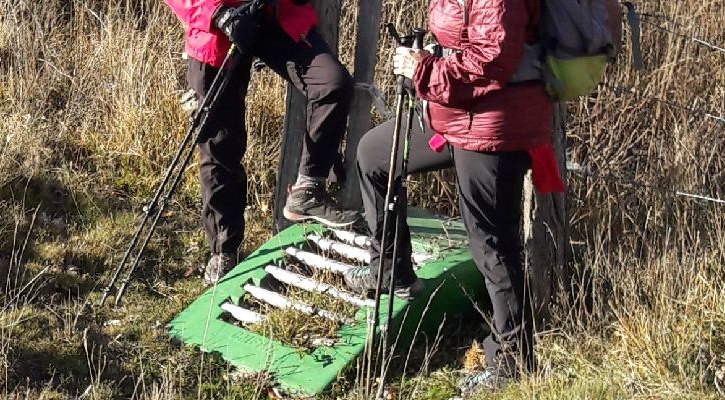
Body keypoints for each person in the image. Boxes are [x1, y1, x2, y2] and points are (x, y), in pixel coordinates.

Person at [353, 0, 561, 389]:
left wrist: (422, 70)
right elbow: (468, 44)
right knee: (374, 155)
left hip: (494, 124)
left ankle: (514, 363)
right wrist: (433, 55)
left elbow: (492, 62)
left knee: (492, 243)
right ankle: (391, 272)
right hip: (452, 113)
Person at [164, 0, 361, 282]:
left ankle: (308, 189)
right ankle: (223, 247)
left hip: (275, 14)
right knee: (219, 139)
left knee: (331, 83)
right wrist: (218, 15)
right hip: (217, 28)